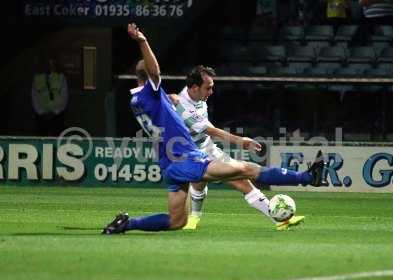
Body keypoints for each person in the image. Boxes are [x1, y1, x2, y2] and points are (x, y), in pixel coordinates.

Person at [102, 23, 327, 235]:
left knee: (176, 221)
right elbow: (155, 71)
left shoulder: (137, 101)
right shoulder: (152, 93)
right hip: (186, 159)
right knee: (246, 169)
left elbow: (160, 98)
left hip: (170, 164)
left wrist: (168, 100)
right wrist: (142, 41)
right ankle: (307, 177)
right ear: (149, 78)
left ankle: (126, 223)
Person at [167, 65, 304, 231]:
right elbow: (211, 130)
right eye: (208, 88)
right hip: (192, 154)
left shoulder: (196, 97)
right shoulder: (184, 106)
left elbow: (205, 125)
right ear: (195, 88)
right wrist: (241, 141)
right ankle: (279, 219)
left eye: (212, 87)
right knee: (230, 180)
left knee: (222, 182)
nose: (211, 91)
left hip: (206, 148)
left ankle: (193, 220)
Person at [32, 57, 68, 136]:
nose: (49, 66)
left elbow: (64, 96)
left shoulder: (61, 77)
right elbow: (34, 97)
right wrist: (41, 112)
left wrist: (55, 112)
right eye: (47, 64)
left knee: (57, 139)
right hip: (41, 116)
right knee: (41, 138)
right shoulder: (37, 78)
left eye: (52, 63)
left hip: (57, 116)